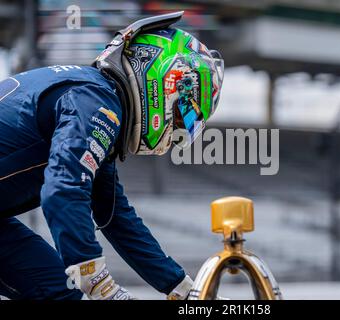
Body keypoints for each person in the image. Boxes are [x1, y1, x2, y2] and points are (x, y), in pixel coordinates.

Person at [0, 11, 224, 300]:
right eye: (181, 114)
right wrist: (95, 277)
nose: (179, 127)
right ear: (159, 77)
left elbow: (115, 216)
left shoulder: (94, 100)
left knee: (60, 290)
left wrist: (183, 290)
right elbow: (63, 190)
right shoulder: (98, 102)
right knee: (64, 291)